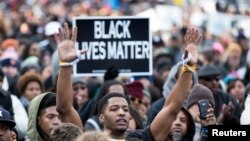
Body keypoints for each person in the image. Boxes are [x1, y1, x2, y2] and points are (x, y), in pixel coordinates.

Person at [54, 23, 201, 140]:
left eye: (126, 110)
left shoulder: (141, 139)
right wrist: (65, 65)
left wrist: (188, 67)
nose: (122, 113)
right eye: (114, 109)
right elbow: (64, 108)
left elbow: (172, 108)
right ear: (101, 118)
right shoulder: (88, 139)